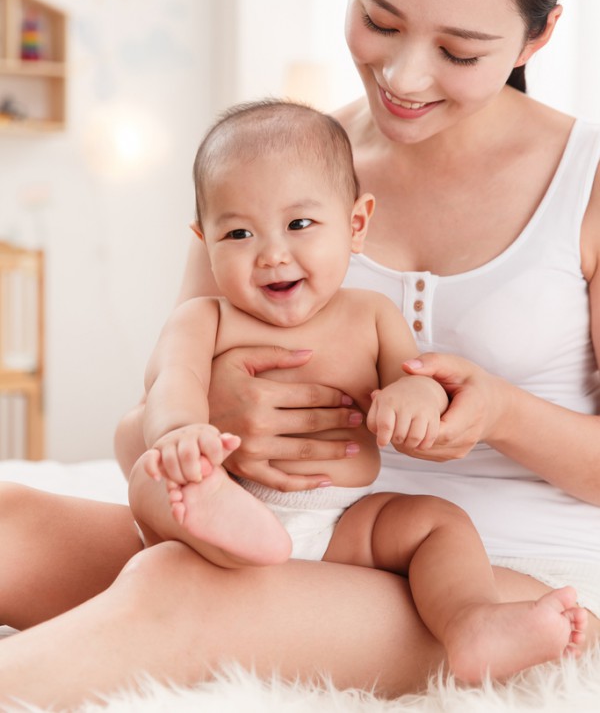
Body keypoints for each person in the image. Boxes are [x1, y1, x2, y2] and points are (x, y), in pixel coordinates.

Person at [0, 0, 599, 710]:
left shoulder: (584, 183)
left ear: (537, 35)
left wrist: (502, 414)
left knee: (178, 594)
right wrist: (210, 423)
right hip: (270, 530)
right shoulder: (277, 172)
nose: (402, 74)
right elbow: (143, 435)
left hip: (497, 576)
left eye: (459, 52)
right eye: (380, 20)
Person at [128, 97, 584, 684]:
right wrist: (183, 436)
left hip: (339, 523)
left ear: (356, 225)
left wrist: (411, 403)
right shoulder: (204, 318)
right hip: (227, 495)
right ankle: (228, 528)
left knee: (434, 522)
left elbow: (415, 381)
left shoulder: (371, 315)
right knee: (154, 479)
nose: (271, 253)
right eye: (238, 232)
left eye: (299, 225)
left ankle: (472, 620)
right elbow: (174, 381)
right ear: (204, 238)